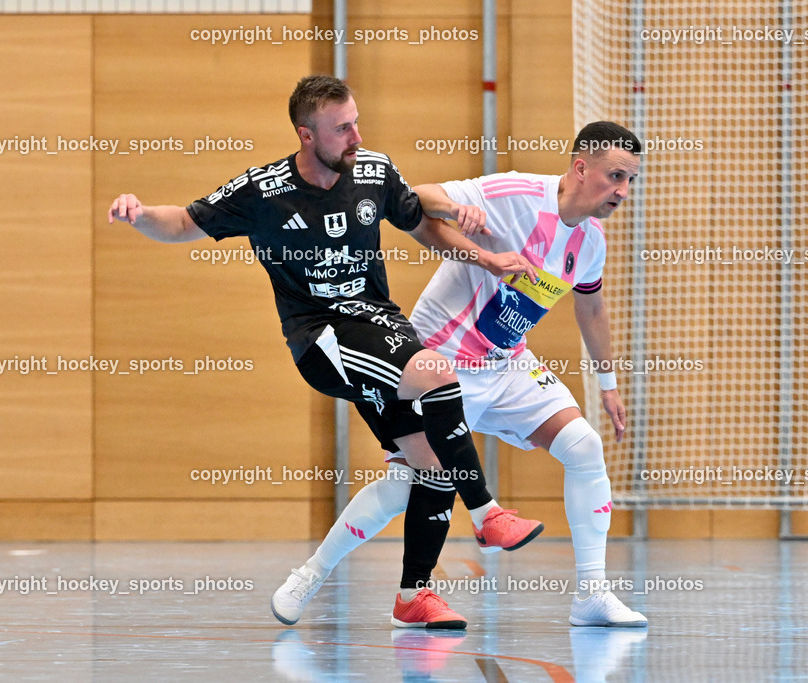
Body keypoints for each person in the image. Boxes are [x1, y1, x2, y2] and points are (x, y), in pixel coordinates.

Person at [106, 74, 546, 629]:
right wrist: (138, 213)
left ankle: (400, 594)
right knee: (436, 373)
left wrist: (487, 258)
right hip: (322, 338)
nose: (356, 136)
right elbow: (183, 223)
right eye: (342, 128)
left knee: (426, 465)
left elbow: (423, 226)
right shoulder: (263, 191)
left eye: (356, 122)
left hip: (380, 323)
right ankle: (485, 512)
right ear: (306, 135)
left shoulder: (374, 170)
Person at [272, 121, 648, 628]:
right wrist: (455, 207)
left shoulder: (591, 241)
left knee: (583, 447)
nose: (623, 191)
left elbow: (593, 310)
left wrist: (608, 385)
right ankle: (310, 575)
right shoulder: (515, 193)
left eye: (631, 181)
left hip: (507, 363)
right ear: (581, 168)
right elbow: (413, 197)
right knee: (409, 485)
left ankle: (592, 596)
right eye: (616, 176)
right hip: (437, 363)